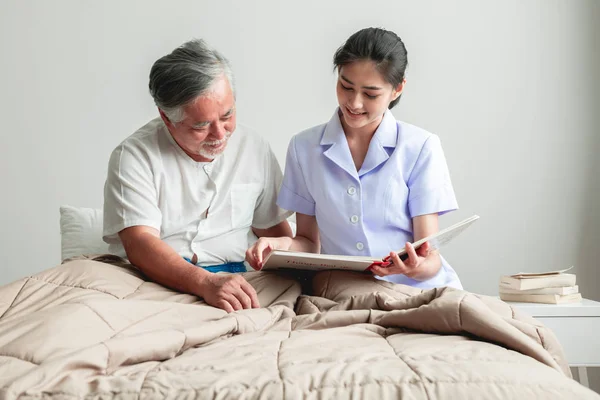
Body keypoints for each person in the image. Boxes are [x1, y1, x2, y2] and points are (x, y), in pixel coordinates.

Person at [246, 27, 462, 289]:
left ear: (397, 89)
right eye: (345, 86)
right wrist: (281, 245)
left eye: (371, 94)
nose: (354, 103)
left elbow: (430, 257)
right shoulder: (304, 148)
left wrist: (416, 267)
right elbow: (308, 243)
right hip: (344, 292)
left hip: (416, 291)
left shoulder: (421, 147)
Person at [103, 39, 294, 313]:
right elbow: (140, 243)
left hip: (239, 279)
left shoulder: (254, 147)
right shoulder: (133, 156)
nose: (220, 133)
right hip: (154, 282)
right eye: (201, 125)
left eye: (227, 115)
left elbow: (273, 231)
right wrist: (206, 283)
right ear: (166, 118)